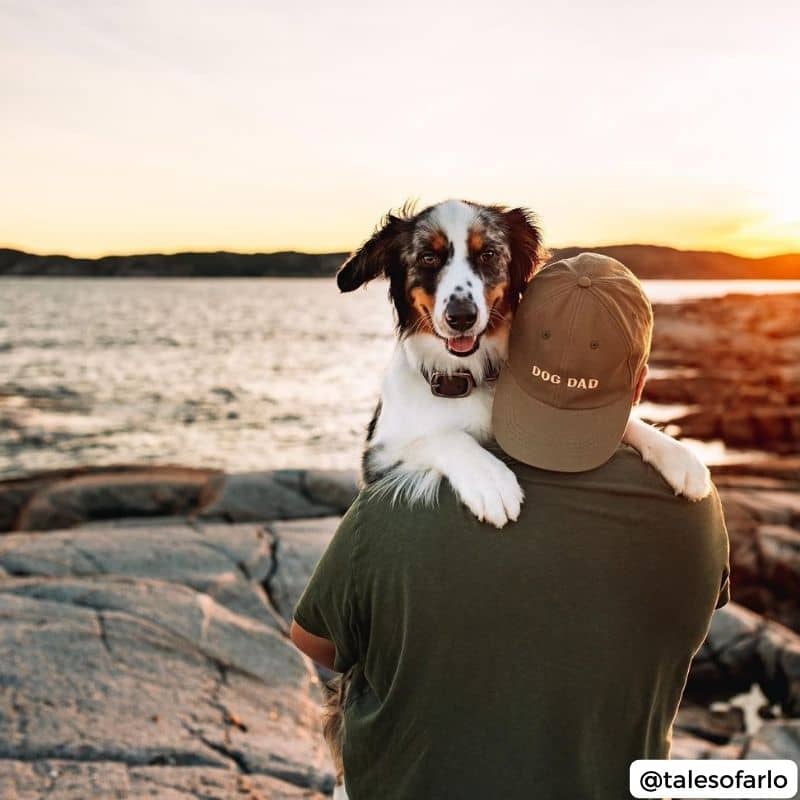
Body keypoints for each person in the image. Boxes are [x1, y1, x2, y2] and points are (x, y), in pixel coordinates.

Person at [290, 254, 730, 800]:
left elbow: (317, 642)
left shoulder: (393, 503)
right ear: (639, 382)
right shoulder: (694, 506)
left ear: (509, 351)